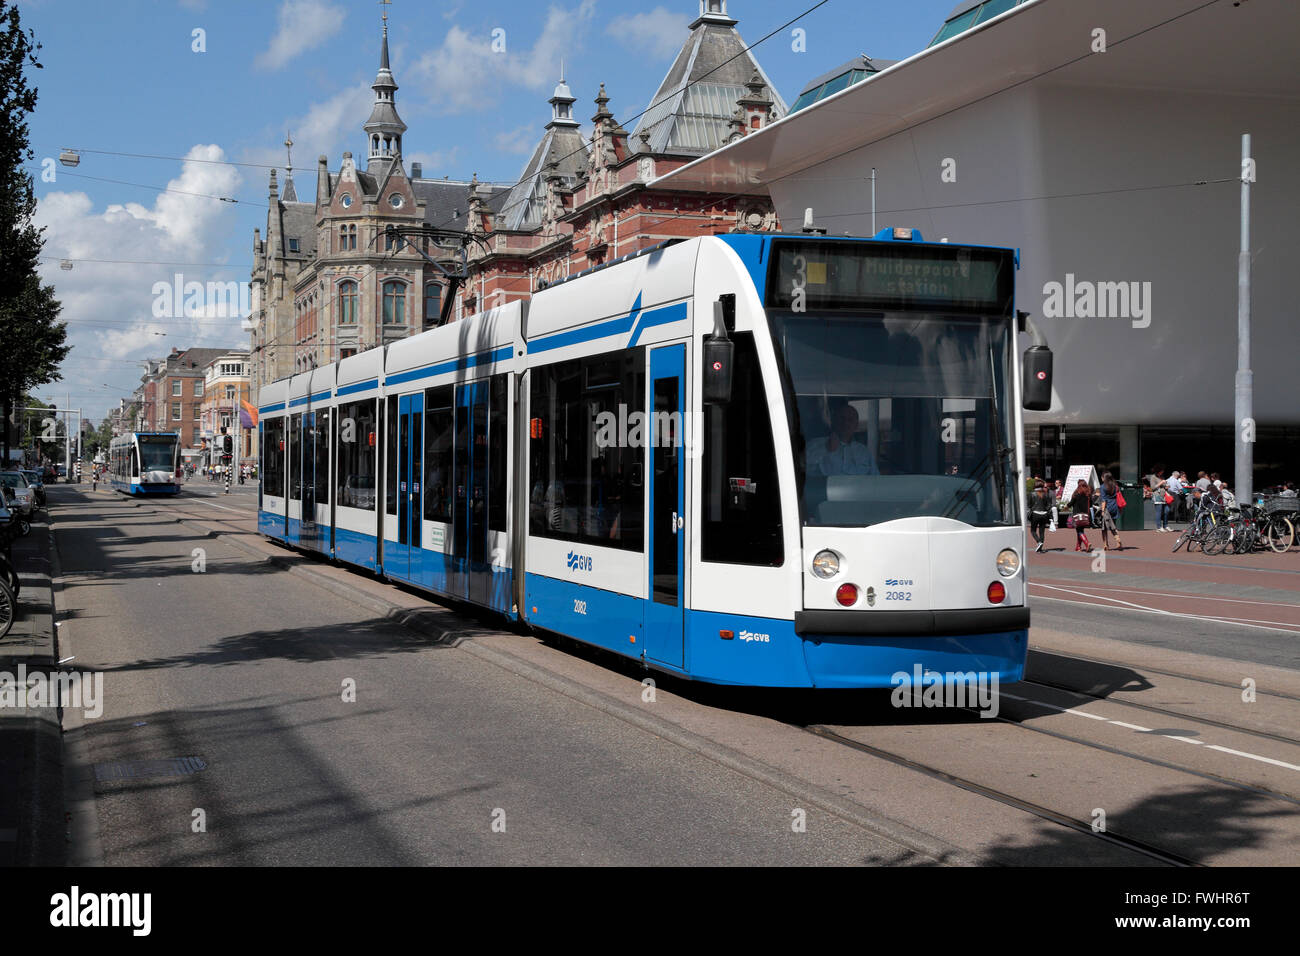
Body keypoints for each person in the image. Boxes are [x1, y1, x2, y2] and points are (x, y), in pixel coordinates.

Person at [806, 403, 879, 476]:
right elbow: (800, 466)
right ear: (834, 421)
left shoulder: (863, 452)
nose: (845, 423)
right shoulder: (816, 444)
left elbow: (876, 479)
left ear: (856, 425)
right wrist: (826, 448)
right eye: (842, 418)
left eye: (850, 420)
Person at [1098, 471, 1124, 551]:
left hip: (1107, 508)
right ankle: (1118, 540)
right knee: (1113, 526)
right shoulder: (1115, 486)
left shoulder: (1103, 487)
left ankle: (1106, 544)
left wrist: (1102, 511)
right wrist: (1120, 509)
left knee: (1104, 527)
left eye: (1102, 477)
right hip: (1115, 507)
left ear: (1104, 478)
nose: (1101, 478)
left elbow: (1104, 500)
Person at [1029, 481, 1054, 552]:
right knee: (1042, 531)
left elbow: (1029, 505)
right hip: (1044, 514)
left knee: (1033, 530)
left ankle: (1038, 542)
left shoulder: (1032, 494)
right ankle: (1040, 548)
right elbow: (1049, 505)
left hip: (1035, 514)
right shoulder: (1045, 494)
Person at [1069, 479, 1093, 552]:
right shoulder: (1088, 494)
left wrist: (1066, 506)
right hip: (1085, 515)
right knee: (1080, 530)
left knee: (1079, 531)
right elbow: (1091, 504)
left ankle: (1087, 543)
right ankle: (1078, 547)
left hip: (1077, 514)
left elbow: (1071, 503)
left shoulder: (1076, 493)